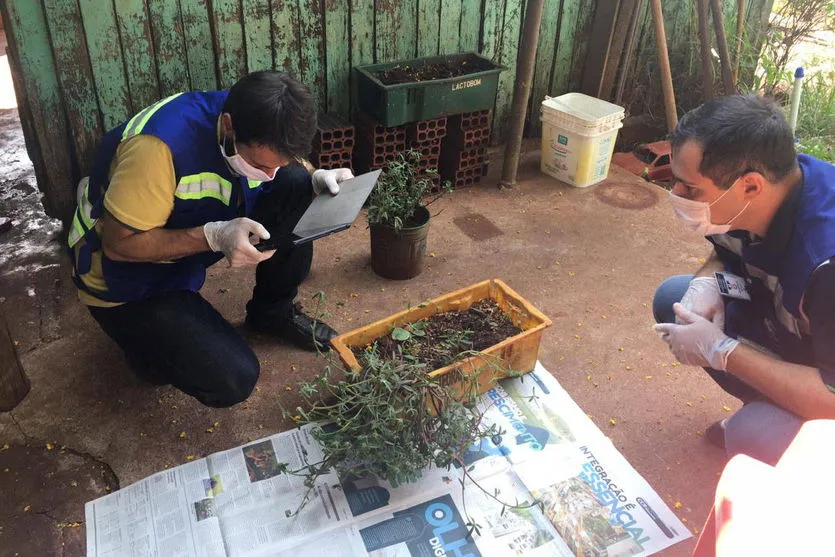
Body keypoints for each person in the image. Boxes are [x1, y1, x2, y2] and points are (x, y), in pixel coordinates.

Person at [69, 71, 353, 407]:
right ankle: (145, 350)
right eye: (260, 164)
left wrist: (313, 177)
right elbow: (120, 245)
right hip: (124, 280)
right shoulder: (157, 149)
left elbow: (285, 165)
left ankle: (272, 312)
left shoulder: (253, 114)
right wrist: (213, 236)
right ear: (229, 127)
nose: (269, 175)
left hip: (183, 244)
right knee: (232, 378)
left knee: (295, 182)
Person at [653, 95, 835, 466]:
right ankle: (773, 406)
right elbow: (725, 251)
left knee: (753, 434)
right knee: (675, 299)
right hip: (804, 339)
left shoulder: (826, 264)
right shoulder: (759, 195)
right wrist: (705, 283)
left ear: (750, 186)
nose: (676, 197)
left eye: (690, 189)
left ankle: (791, 444)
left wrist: (723, 352)